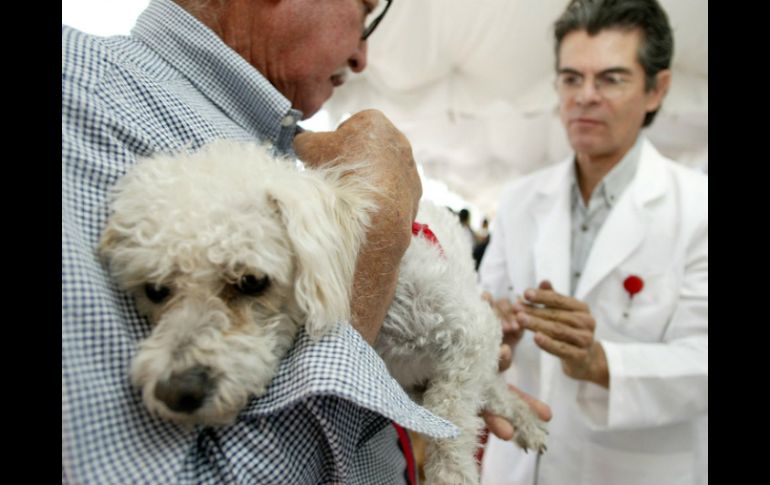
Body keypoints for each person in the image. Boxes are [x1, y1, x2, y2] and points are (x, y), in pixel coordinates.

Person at [62, 1, 545, 483]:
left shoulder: (265, 149)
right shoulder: (82, 94)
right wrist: (373, 241)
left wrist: (421, 378)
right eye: (363, 8)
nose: (361, 57)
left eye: (247, 282)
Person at [478, 1, 708, 484]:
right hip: (520, 463)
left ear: (656, 90)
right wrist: (494, 327)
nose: (584, 96)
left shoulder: (697, 208)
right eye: (570, 78)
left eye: (611, 78)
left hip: (633, 468)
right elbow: (482, 309)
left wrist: (601, 362)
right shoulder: (521, 200)